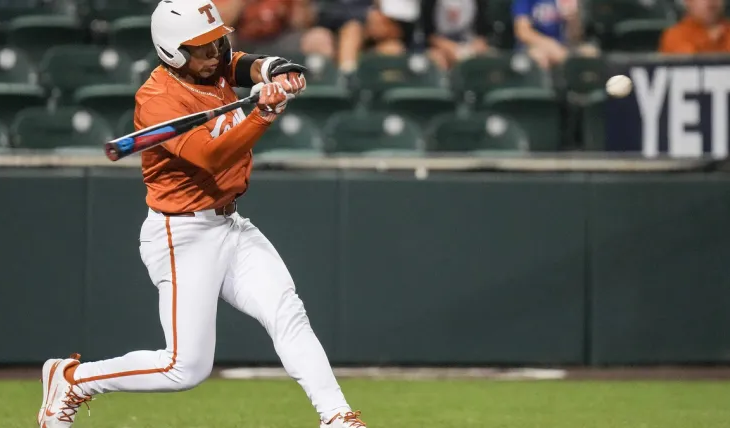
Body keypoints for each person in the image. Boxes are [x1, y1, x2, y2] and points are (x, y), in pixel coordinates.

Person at [36, 1, 366, 428]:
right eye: (202, 48)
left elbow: (240, 64)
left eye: (218, 42)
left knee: (287, 311)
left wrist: (274, 69)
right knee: (184, 368)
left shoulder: (212, 64)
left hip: (230, 224)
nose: (215, 54)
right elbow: (211, 156)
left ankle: (337, 417)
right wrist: (262, 114)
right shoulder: (156, 99)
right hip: (181, 235)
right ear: (173, 52)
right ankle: (73, 380)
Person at [512, 0, 596, 70]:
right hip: (534, 46)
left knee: (590, 52)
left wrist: (573, 19)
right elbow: (523, 32)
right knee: (540, 57)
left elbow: (575, 37)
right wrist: (551, 46)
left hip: (563, 45)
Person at [301, 0, 373, 74]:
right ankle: (321, 79)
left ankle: (346, 77)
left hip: (361, 24)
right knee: (317, 37)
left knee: (351, 33)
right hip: (326, 23)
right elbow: (307, 13)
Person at [419, 0, 491, 70]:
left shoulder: (481, 2)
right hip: (441, 45)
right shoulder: (429, 2)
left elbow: (483, 36)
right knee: (435, 60)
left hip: (470, 44)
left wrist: (472, 49)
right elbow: (429, 36)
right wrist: (451, 49)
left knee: (489, 61)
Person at [660, 0, 730, 54]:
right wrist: (709, 41)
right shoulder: (675, 35)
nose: (711, 0)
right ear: (688, 2)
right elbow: (688, 63)